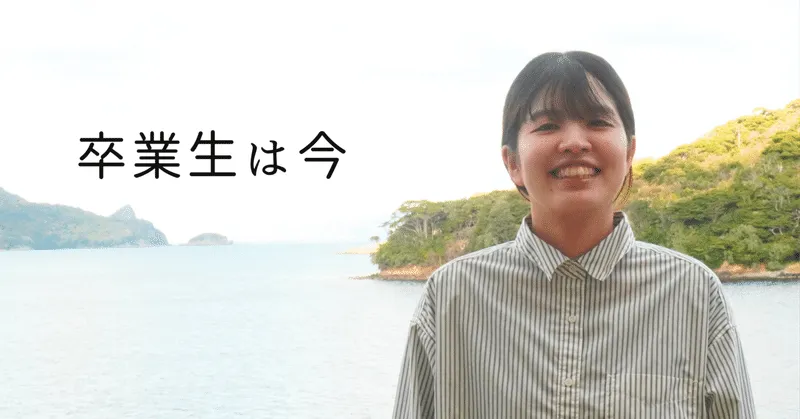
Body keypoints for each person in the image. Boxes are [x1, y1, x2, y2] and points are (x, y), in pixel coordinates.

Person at [390, 51, 756, 418]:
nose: (575, 142)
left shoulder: (694, 294)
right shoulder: (451, 297)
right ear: (513, 162)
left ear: (629, 152)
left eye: (597, 121)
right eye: (547, 126)